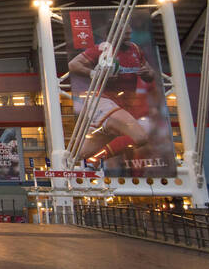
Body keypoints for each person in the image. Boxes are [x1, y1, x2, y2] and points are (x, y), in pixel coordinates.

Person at [67, 28, 159, 168]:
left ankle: (68, 166)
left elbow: (150, 74)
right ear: (113, 33)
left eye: (129, 30)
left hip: (122, 104)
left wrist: (147, 72)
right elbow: (73, 65)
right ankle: (97, 158)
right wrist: (93, 73)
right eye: (124, 31)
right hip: (103, 101)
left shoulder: (135, 49)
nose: (129, 33)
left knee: (79, 155)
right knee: (141, 137)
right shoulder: (102, 49)